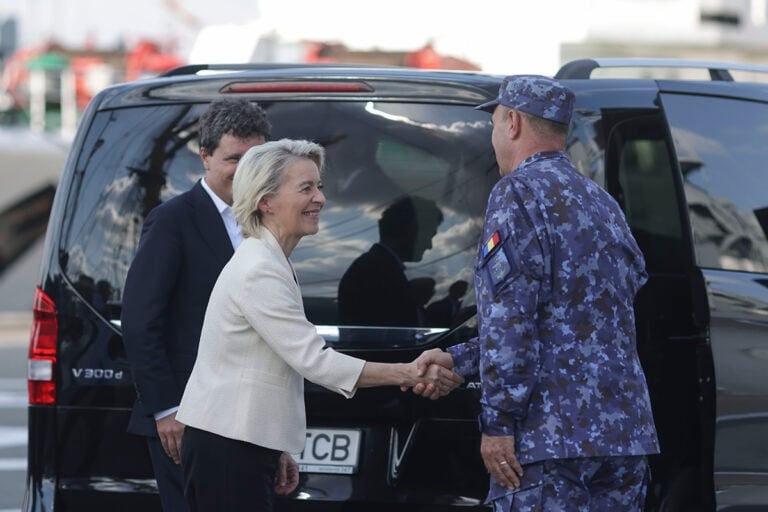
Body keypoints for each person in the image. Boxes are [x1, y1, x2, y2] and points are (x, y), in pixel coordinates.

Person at [175, 139, 463, 512]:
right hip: (227, 448)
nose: (320, 199)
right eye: (306, 188)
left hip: (239, 443)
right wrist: (409, 372)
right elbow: (315, 361)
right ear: (266, 201)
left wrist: (275, 446)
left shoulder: (269, 259)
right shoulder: (259, 268)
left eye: (319, 186)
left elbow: (264, 367)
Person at [413, 76, 659, 511]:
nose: (493, 138)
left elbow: (511, 320)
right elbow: (576, 322)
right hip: (623, 438)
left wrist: (498, 423)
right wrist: (459, 360)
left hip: (550, 439)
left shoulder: (518, 192)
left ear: (512, 123)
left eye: (493, 124)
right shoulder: (602, 202)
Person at [121, 98, 272, 512]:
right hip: (186, 420)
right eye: (234, 158)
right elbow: (140, 321)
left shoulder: (266, 224)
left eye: (255, 158)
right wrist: (167, 409)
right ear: (205, 157)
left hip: (246, 420)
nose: (245, 170)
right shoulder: (172, 221)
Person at [337, 194, 444, 326]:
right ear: (411, 230)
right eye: (428, 236)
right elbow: (392, 329)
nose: (429, 245)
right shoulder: (376, 272)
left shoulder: (377, 267)